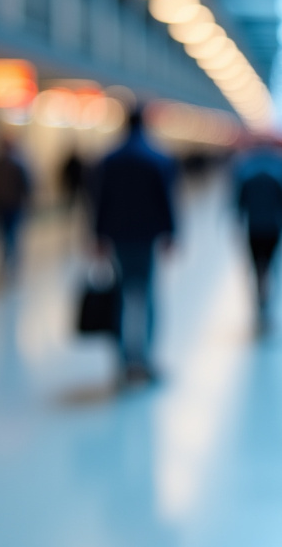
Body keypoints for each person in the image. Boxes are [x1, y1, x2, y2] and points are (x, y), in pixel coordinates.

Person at [92, 106, 177, 385]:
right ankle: (145, 359)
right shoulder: (157, 158)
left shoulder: (109, 160)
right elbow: (166, 200)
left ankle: (123, 361)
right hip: (147, 237)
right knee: (149, 295)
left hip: (117, 238)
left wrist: (97, 236)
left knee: (120, 295)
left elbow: (99, 202)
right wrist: (171, 233)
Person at [233, 138, 282, 336]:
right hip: (274, 226)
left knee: (258, 267)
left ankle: (260, 303)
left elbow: (239, 200)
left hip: (254, 226)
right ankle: (266, 305)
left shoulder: (246, 167)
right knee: (272, 265)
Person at [0, 137, 31, 277]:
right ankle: (12, 261)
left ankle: (7, 260)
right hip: (13, 206)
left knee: (4, 236)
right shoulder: (18, 164)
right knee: (12, 235)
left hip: (1, 206)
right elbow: (26, 186)